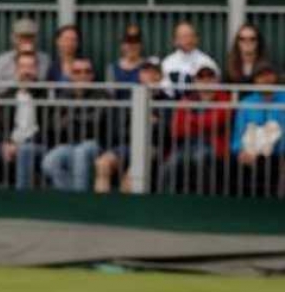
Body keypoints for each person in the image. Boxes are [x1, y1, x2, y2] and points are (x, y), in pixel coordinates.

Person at [95, 58, 171, 193]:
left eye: (154, 72)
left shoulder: (167, 101)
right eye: (145, 72)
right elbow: (118, 129)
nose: (149, 75)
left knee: (132, 175)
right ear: (140, 75)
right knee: (103, 164)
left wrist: (155, 125)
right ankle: (101, 208)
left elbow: (166, 133)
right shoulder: (128, 99)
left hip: (152, 148)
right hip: (126, 146)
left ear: (160, 76)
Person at [160, 62, 231, 193]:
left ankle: (206, 200)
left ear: (217, 80)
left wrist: (191, 119)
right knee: (171, 163)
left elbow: (215, 121)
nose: (206, 81)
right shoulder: (187, 99)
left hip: (213, 145)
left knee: (199, 158)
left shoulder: (225, 99)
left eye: (210, 77)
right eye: (201, 77)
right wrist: (201, 122)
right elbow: (177, 130)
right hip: (187, 144)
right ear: (195, 81)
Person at [41, 57, 109, 191]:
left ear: (92, 75)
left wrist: (70, 117)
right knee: (49, 163)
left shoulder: (102, 94)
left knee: (81, 152)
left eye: (86, 71)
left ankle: (80, 196)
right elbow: (54, 124)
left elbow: (96, 120)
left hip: (94, 143)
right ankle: (70, 195)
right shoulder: (64, 95)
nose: (82, 76)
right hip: (68, 144)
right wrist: (76, 119)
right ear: (71, 75)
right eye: (77, 72)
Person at [231, 63, 285, 197]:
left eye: (269, 75)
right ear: (255, 80)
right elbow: (238, 134)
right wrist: (241, 151)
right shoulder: (246, 103)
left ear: (275, 77)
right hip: (252, 153)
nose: (265, 79)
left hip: (279, 154)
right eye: (261, 76)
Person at [0, 51, 47, 190]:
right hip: (9, 143)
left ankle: (22, 198)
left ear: (37, 70)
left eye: (30, 67)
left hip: (37, 144)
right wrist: (6, 142)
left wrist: (19, 145)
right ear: (16, 69)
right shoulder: (6, 95)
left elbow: (50, 128)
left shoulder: (45, 94)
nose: (27, 71)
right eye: (23, 67)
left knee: (25, 150)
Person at [0, 17, 50, 95]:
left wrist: (34, 79)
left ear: (36, 39)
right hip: (8, 103)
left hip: (37, 103)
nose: (26, 40)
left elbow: (48, 88)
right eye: (22, 37)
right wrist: (16, 80)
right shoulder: (3, 60)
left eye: (30, 37)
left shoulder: (44, 59)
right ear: (13, 38)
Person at [161, 22, 219, 96]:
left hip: (197, 105)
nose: (188, 40)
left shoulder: (207, 62)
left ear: (197, 39)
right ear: (175, 41)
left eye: (191, 36)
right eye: (184, 36)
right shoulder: (167, 62)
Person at [105, 25, 145, 99]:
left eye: (136, 41)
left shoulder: (147, 67)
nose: (132, 45)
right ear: (122, 45)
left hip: (141, 109)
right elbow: (109, 95)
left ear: (141, 45)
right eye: (128, 41)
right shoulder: (112, 68)